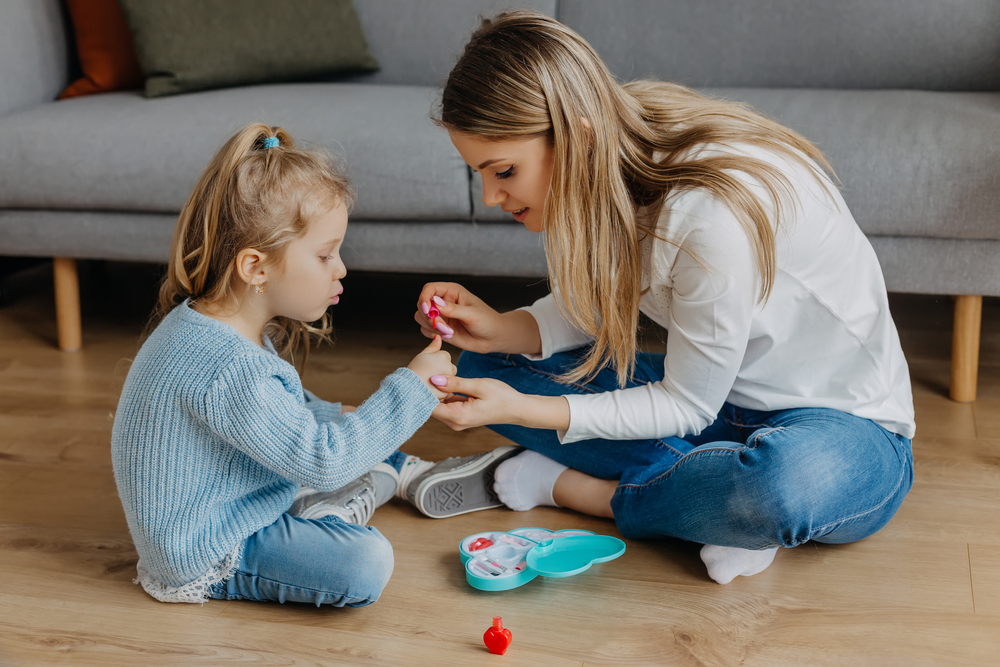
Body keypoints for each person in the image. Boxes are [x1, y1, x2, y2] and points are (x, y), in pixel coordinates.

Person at [414, 11, 916, 585]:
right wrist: (501, 328)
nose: (491, 195)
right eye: (479, 173)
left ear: (577, 136)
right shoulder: (612, 155)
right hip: (721, 404)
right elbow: (601, 306)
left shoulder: (707, 220)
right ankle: (707, 505)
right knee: (484, 368)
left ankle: (588, 492)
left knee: (777, 489)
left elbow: (683, 406)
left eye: (503, 170)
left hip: (848, 430)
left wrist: (523, 411)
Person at [111, 124, 514, 606]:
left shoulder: (213, 326)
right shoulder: (226, 367)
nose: (341, 268)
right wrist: (410, 389)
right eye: (325, 254)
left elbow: (287, 410)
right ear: (255, 268)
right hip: (210, 547)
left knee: (354, 435)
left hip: (231, 501)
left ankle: (389, 470)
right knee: (365, 563)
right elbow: (322, 460)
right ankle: (343, 500)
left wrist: (365, 411)